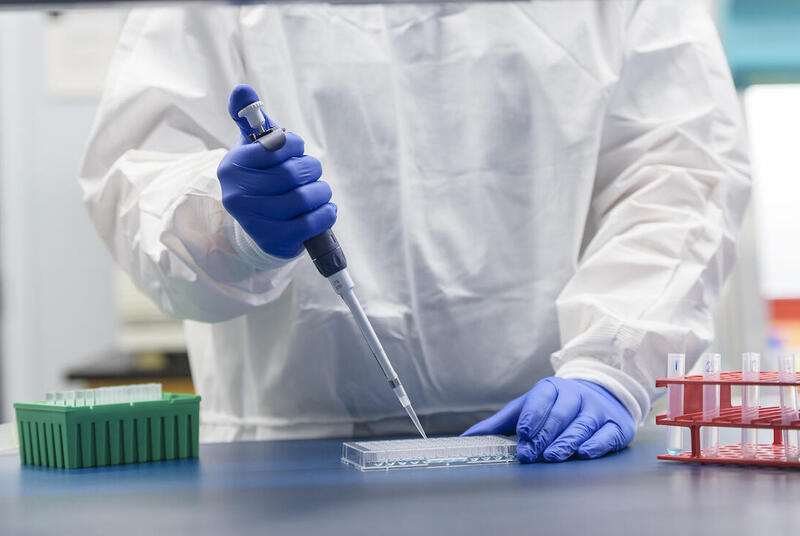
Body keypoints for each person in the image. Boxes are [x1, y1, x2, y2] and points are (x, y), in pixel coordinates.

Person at [80, 1, 750, 461]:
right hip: (287, 466)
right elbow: (140, 180)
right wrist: (229, 223)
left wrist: (613, 362)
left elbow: (680, 173)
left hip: (556, 444)